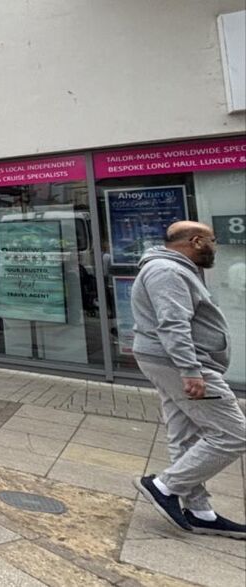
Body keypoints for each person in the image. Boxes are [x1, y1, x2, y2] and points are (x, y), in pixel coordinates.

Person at [131, 221, 245, 540]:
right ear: (196, 241)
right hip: (179, 363)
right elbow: (172, 324)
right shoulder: (168, 271)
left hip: (170, 361)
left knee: (185, 435)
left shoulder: (173, 268)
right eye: (212, 241)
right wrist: (190, 369)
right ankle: (164, 486)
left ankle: (200, 512)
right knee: (233, 433)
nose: (215, 247)